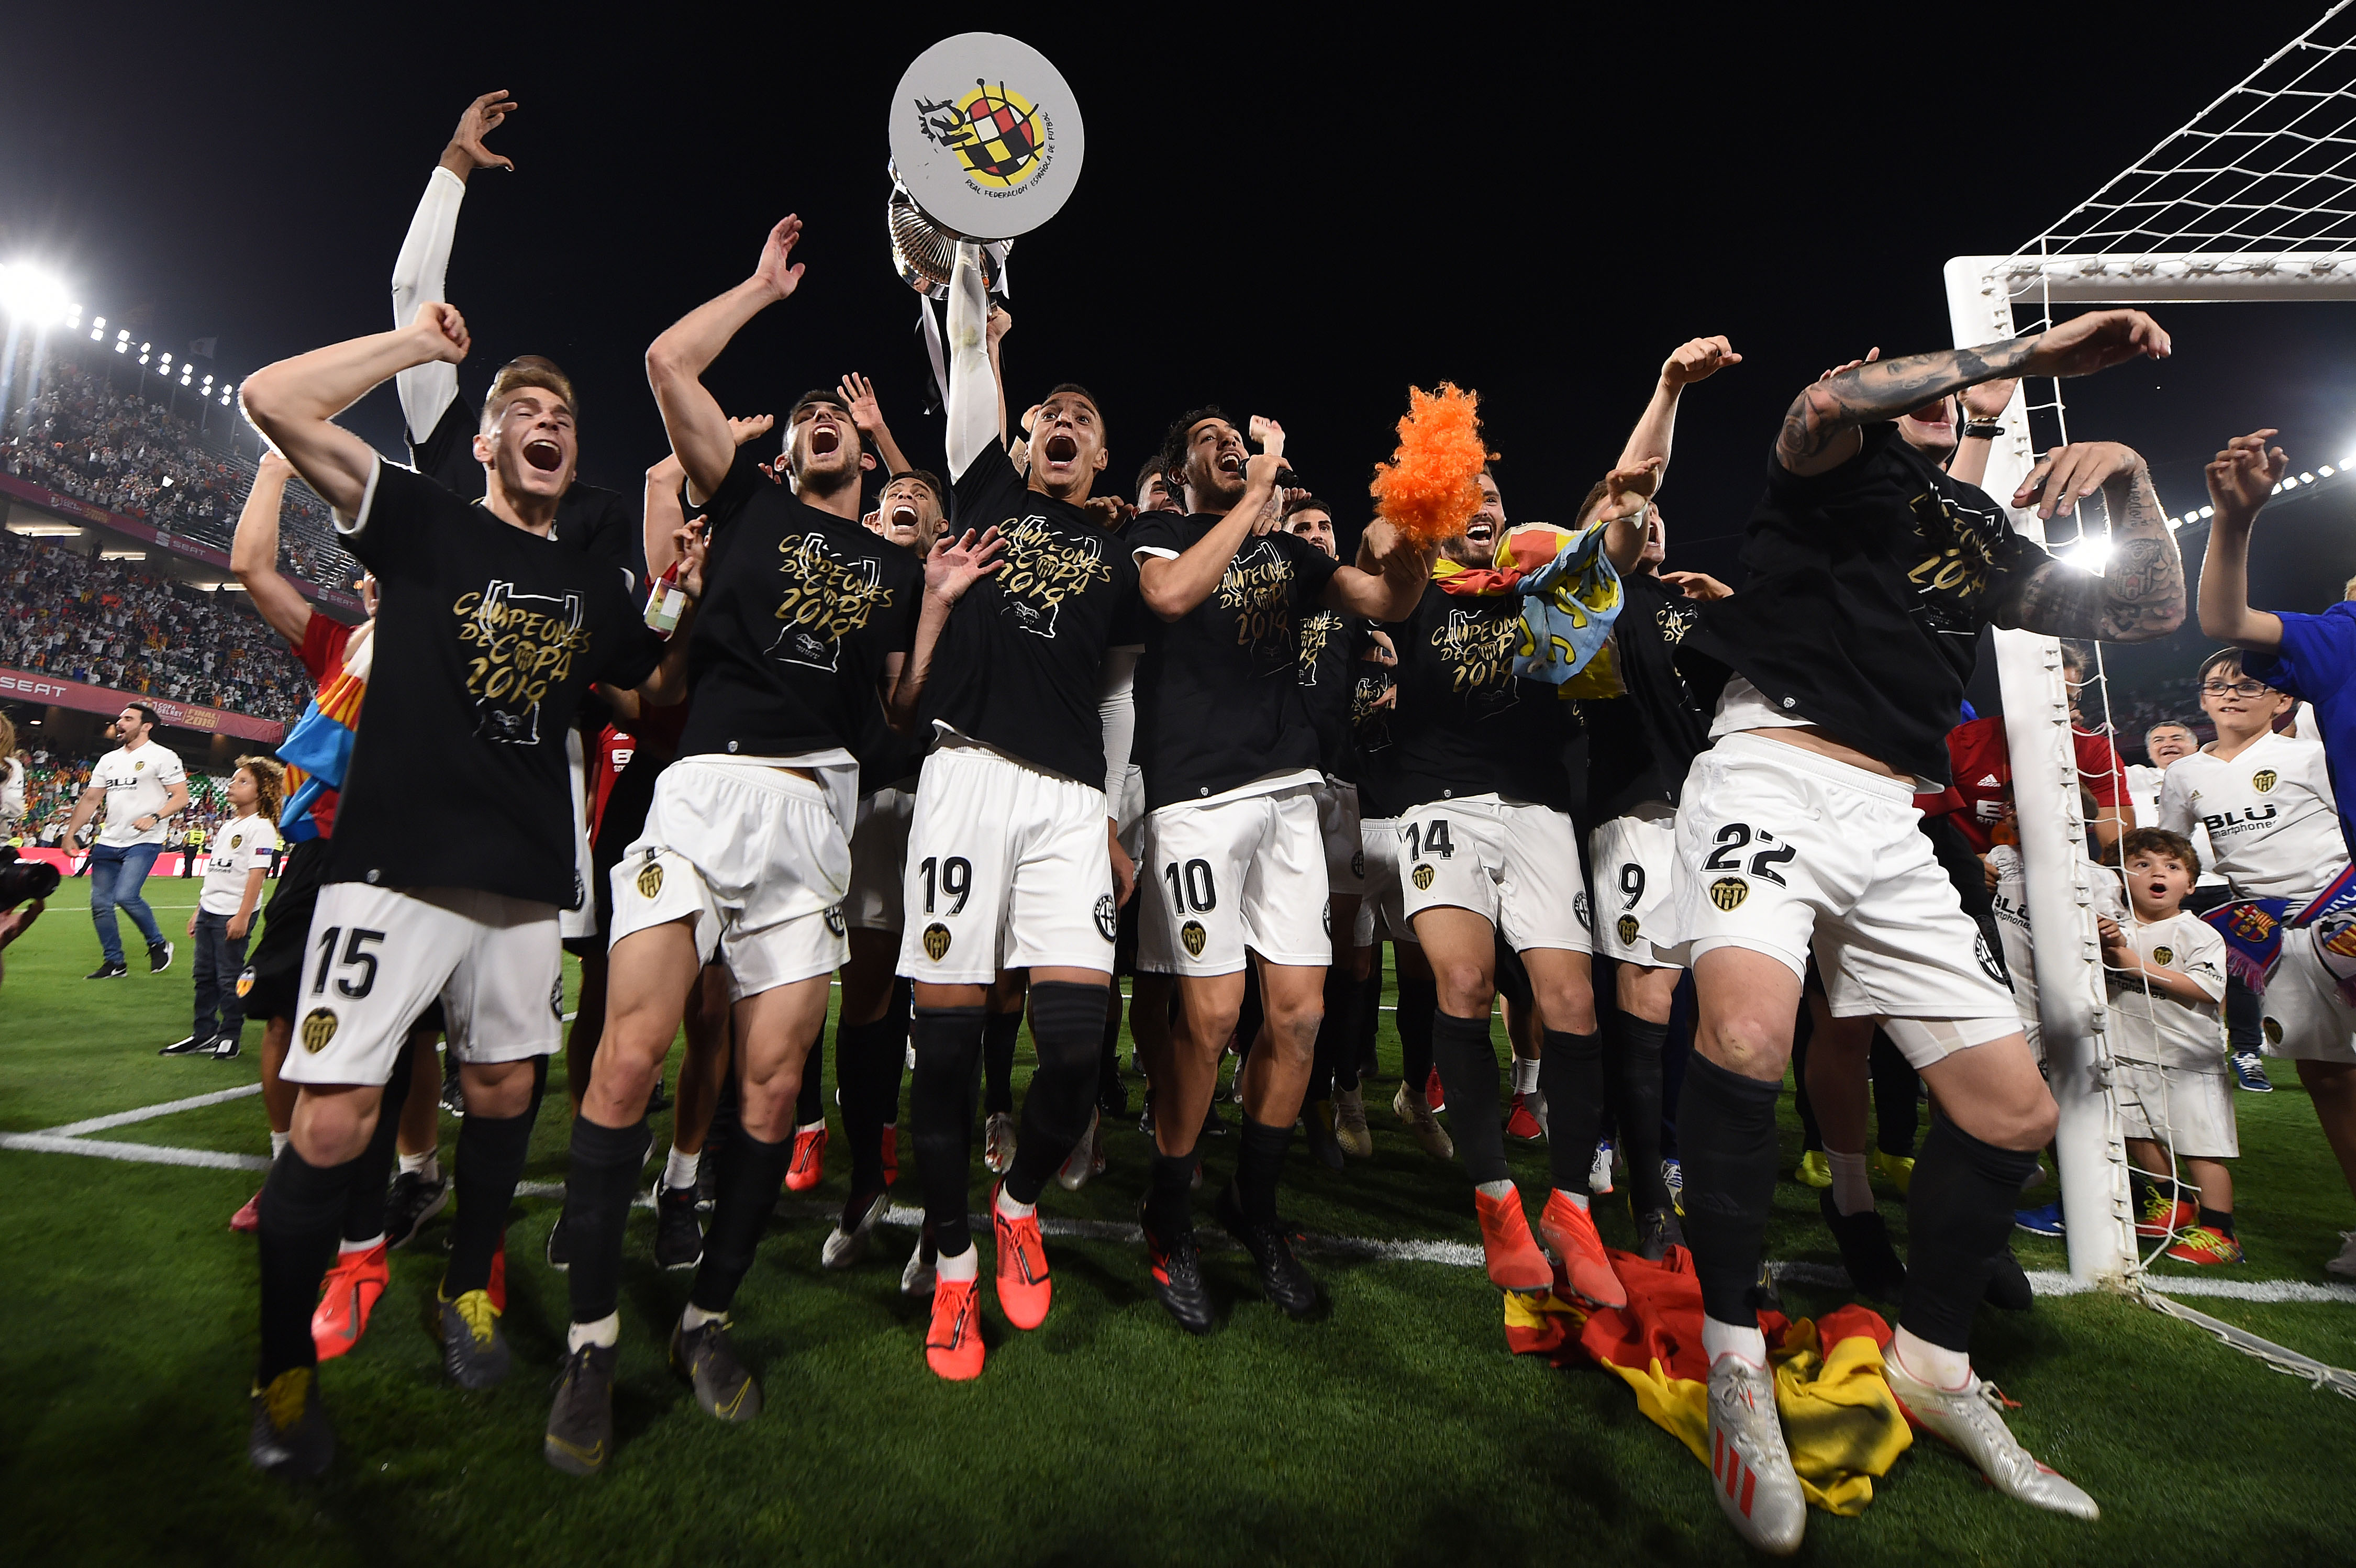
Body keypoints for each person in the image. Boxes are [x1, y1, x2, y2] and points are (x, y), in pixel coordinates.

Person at [1663, 309, 2184, 1549]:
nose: (1932, 401)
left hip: (1888, 817)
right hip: (1765, 771)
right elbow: (1817, 402)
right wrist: (2014, 359)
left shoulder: (1983, 535)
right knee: (1743, 1033)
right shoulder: (1834, 461)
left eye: (1942, 393)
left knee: (2010, 1111)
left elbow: (2144, 615)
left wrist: (2136, 476)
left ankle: (1931, 1361)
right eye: (1913, 386)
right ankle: (1731, 1356)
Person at [239, 295, 693, 1478]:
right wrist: (417, 350)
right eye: (522, 413)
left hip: (526, 886)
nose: (548, 425)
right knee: (333, 1119)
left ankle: (464, 1291)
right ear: (485, 443)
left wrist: (680, 589)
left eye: (563, 416)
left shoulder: (596, 586)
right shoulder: (423, 519)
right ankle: (282, 1369)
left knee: (500, 1100)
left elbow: (654, 697)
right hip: (389, 869)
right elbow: (272, 398)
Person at [546, 214, 931, 1472]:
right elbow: (667, 364)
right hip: (704, 793)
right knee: (630, 1055)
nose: (820, 415)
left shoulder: (885, 563)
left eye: (839, 414)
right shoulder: (744, 503)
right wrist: (762, 292)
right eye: (809, 411)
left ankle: (707, 1314)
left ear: (863, 461)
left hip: (815, 816)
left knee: (771, 1086)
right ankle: (593, 1338)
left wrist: (935, 611)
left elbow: (895, 708)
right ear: (793, 444)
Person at [887, 238, 1146, 1379]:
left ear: (1101, 456)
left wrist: (1117, 816)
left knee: (1080, 1056)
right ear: (1024, 433)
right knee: (943, 1060)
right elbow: (968, 355)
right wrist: (975, 259)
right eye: (1051, 410)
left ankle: (1018, 1200)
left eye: (1085, 420)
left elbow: (1125, 699)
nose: (1064, 423)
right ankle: (952, 1272)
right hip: (966, 774)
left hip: (1070, 798)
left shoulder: (1125, 547)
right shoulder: (985, 485)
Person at [1128, 408, 1427, 1331]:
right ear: (1183, 469)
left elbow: (1389, 604)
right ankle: (1167, 1217)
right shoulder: (1160, 534)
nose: (1230, 442)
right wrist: (1256, 493)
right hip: (1194, 800)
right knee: (1213, 1015)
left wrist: (1408, 535)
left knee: (1298, 1016)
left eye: (1238, 434)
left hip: (1290, 795)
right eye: (1210, 436)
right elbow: (1173, 597)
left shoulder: (1293, 560)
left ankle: (1252, 1209)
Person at [1386, 453, 1653, 1309]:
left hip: (1538, 805)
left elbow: (1618, 539)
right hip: (1439, 800)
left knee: (1571, 1005)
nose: (1481, 508)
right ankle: (1498, 1199)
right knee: (1461, 981)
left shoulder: (1543, 586)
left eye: (1492, 496)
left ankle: (1572, 1210)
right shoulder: (1418, 584)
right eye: (1461, 499)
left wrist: (1651, 429)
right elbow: (1381, 544)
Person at [1580, 334, 1740, 1259]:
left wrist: (1732, 615)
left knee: (1710, 1009)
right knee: (1636, 1003)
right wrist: (1669, 385)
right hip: (1634, 818)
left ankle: (1668, 1154)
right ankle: (1643, 1180)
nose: (1650, 532)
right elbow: (1633, 490)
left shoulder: (1694, 608)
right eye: (1635, 525)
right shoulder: (1583, 594)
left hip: (1711, 824)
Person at [2185, 426, 2356, 1273]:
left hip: (2337, 902)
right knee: (2327, 1074)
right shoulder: (2345, 637)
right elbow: (2224, 619)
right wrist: (2236, 520)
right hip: (2297, 927)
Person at [1281, 495, 1375, 1168]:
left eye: (1324, 527)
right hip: (1278, 786)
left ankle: (1341, 1089)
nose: (1315, 536)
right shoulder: (1271, 598)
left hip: (1338, 789)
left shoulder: (1352, 603)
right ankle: (1300, 1100)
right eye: (1302, 529)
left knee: (1345, 960)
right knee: (1285, 959)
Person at [2100, 828, 2238, 1263]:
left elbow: (2204, 988)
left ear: (2191, 884)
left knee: (2201, 1147)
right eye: (2142, 864)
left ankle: (2221, 1231)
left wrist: (2135, 965)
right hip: (2126, 1051)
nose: (2158, 873)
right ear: (2121, 878)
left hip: (2186, 1060)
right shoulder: (2114, 929)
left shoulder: (2197, 933)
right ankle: (2173, 1204)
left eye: (2172, 867)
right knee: (2136, 1133)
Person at [165, 758, 283, 1059]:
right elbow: (216, 872)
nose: (232, 785)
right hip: (209, 910)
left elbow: (258, 874)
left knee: (228, 977)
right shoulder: (230, 824)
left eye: (243, 781)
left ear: (262, 791)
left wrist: (243, 915)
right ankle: (203, 1033)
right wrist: (198, 910)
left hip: (233, 912)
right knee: (203, 975)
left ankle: (230, 1033)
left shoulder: (262, 828)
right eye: (233, 779)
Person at [61, 702, 187, 979]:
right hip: (108, 840)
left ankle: (158, 943)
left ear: (146, 726)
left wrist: (155, 816)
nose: (120, 723)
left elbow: (181, 796)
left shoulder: (163, 756)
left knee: (125, 896)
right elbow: (92, 798)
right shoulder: (109, 759)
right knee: (100, 904)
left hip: (144, 839)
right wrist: (70, 834)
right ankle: (115, 962)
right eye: (120, 718)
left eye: (128, 719)